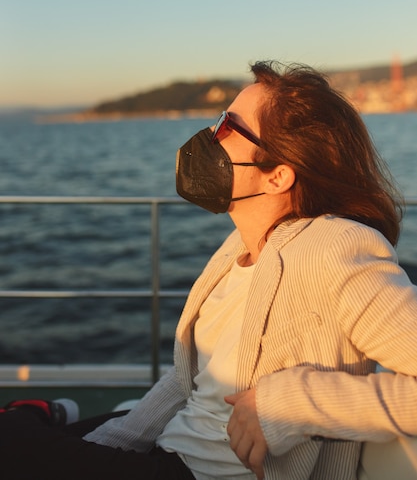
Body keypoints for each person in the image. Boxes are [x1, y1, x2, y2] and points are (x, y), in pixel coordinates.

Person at [1, 60, 417, 480]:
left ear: (278, 176)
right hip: (170, 453)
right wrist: (113, 441)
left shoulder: (334, 246)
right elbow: (187, 382)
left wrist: (292, 403)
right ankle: (36, 420)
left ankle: (33, 418)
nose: (208, 136)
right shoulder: (239, 246)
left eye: (226, 126)